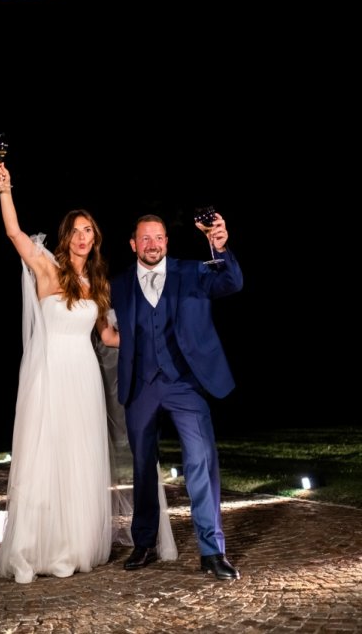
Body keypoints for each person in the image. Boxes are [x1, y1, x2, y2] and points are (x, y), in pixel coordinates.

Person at [0, 163, 176, 583]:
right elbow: (14, 234)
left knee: (80, 461)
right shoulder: (46, 268)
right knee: (46, 459)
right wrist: (5, 190)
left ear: (95, 238)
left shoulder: (97, 283)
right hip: (51, 374)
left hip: (85, 379)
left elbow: (108, 337)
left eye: (87, 230)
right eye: (75, 230)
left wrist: (149, 338)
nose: (81, 236)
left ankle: (73, 546)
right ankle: (37, 547)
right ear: (66, 236)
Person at [110, 211, 243, 580]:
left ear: (167, 241)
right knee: (141, 467)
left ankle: (212, 551)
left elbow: (231, 282)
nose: (153, 245)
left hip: (185, 382)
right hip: (140, 385)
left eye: (159, 238)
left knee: (200, 460)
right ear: (134, 244)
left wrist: (219, 245)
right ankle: (145, 543)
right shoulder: (118, 283)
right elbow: (108, 327)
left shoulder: (193, 271)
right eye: (145, 239)